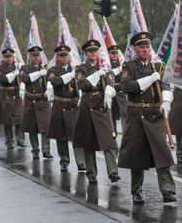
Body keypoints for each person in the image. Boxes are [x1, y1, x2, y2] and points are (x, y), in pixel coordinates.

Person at [118, 31, 177, 205]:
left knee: (162, 153)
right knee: (137, 155)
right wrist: (150, 79)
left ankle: (168, 190)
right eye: (142, 47)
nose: (145, 50)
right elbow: (128, 86)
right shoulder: (129, 66)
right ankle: (136, 191)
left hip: (154, 115)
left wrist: (166, 100)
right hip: (136, 115)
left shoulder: (158, 66)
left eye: (147, 47)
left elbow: (165, 85)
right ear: (135, 49)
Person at [73, 40, 119, 185]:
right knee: (88, 141)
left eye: (95, 51)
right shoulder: (80, 69)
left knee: (109, 140)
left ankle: (113, 171)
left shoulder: (104, 66)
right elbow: (83, 85)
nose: (93, 53)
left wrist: (109, 92)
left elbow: (111, 80)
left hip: (102, 105)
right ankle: (91, 173)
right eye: (90, 51)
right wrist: (96, 75)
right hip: (87, 106)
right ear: (86, 53)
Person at [47, 45, 86, 172]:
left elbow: (82, 83)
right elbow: (56, 82)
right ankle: (64, 160)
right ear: (57, 58)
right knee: (61, 134)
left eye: (66, 55)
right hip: (60, 104)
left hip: (73, 104)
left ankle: (81, 162)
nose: (64, 58)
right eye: (62, 56)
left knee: (77, 133)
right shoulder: (53, 70)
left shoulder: (77, 69)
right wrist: (71, 75)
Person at [19, 46, 53, 160]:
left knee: (45, 127)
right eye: (34, 56)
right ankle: (35, 150)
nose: (36, 58)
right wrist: (38, 74)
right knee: (32, 127)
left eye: (38, 55)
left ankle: (46, 149)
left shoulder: (46, 67)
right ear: (30, 57)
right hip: (31, 100)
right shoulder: (25, 68)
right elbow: (24, 78)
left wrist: (49, 88)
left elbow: (50, 79)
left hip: (42, 100)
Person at [0, 48, 25, 148]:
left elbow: (24, 78)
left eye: (10, 56)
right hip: (5, 93)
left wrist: (22, 88)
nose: (9, 59)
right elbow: (1, 79)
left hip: (16, 94)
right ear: (3, 58)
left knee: (19, 118)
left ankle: (20, 139)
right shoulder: (0, 68)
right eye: (6, 57)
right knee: (7, 120)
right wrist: (12, 75)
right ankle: (9, 140)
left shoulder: (18, 66)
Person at [108, 45, 127, 137]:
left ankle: (126, 136)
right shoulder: (107, 63)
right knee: (111, 117)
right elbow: (108, 72)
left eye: (116, 53)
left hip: (121, 92)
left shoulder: (122, 62)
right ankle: (112, 136)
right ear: (109, 54)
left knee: (125, 114)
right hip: (111, 92)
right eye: (113, 53)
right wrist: (118, 69)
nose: (115, 55)